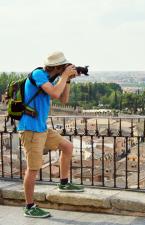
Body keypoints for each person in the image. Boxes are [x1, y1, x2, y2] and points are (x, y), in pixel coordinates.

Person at [18, 51, 84, 218]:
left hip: (41, 128)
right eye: (64, 67)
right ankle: (29, 206)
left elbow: (63, 100)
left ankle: (63, 183)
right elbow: (54, 93)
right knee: (33, 169)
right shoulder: (38, 74)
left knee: (67, 147)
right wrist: (64, 76)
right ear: (58, 67)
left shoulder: (52, 78)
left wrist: (67, 79)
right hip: (30, 129)